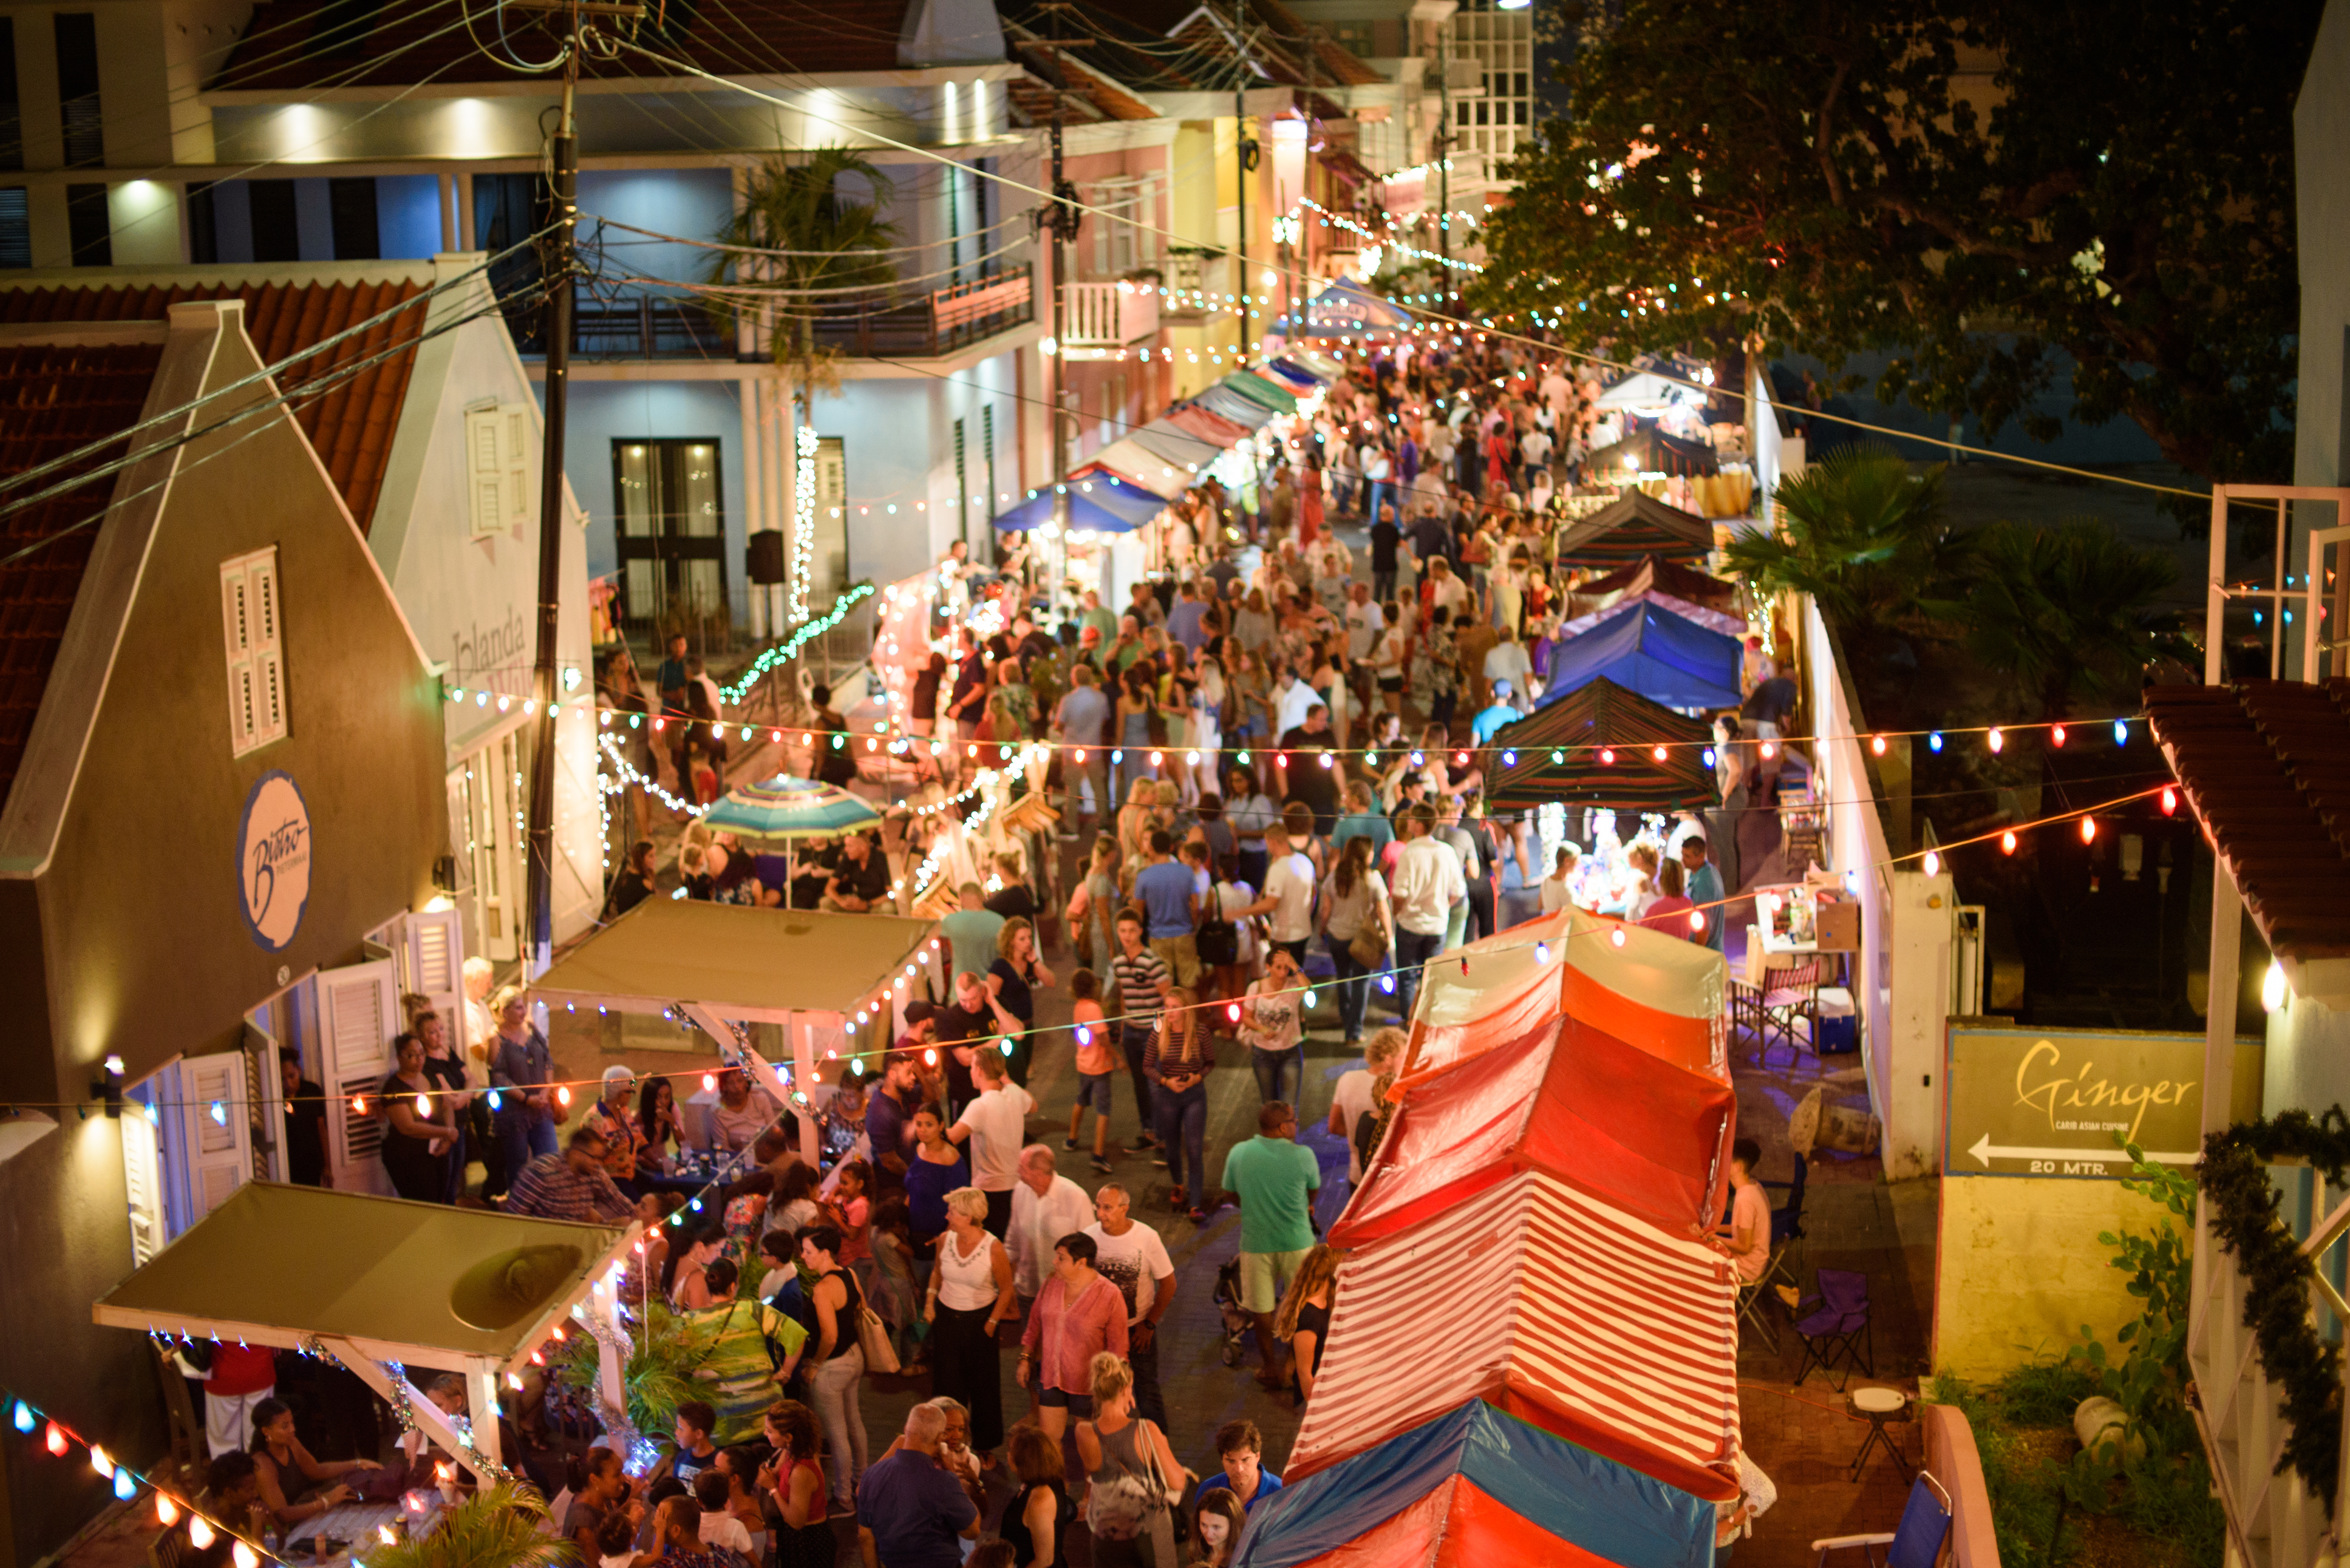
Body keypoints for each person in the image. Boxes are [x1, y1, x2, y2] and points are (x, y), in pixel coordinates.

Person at [1220, 1101, 1320, 1390]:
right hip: (1298, 1242)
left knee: (1261, 1311)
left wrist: (1252, 1206)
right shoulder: (1304, 1156)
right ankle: (1294, 1364)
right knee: (1301, 1305)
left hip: (1256, 1242)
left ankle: (1269, 1368)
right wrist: (1305, 1206)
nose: (1296, 1125)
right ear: (1282, 1127)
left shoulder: (1239, 1153)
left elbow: (1230, 1193)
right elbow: (1313, 1191)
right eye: (1294, 1121)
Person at [1074, 1353, 1188, 1568]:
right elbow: (1177, 1482)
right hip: (1142, 1536)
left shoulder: (1084, 1433)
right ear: (1125, 1389)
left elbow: (1092, 1470)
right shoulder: (1146, 1431)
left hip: (1104, 1536)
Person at [924, 1189, 1014, 1458]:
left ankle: (984, 1446)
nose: (947, 1215)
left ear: (969, 1216)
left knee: (983, 1387)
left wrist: (992, 1322)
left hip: (980, 1323)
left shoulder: (993, 1247)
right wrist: (930, 1302)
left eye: (952, 1212)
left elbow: (1007, 1289)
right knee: (947, 1385)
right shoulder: (944, 1239)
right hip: (947, 1321)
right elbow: (937, 1274)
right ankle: (948, 1444)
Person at [1020, 1234, 1128, 1444]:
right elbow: (1034, 1325)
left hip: (1087, 1384)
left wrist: (1118, 1390)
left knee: (1089, 1446)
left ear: (1081, 1263)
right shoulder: (1051, 1284)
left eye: (1061, 1258)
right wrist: (1025, 1358)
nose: (1054, 1262)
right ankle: (1056, 1479)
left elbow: (1119, 1348)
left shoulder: (1109, 1295)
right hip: (1052, 1378)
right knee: (1049, 1443)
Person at [1084, 1184, 1177, 1428]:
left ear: (1125, 1209)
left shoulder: (1146, 1237)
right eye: (1098, 1206)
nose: (1101, 1214)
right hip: (1101, 1332)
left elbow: (1168, 1284)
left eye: (1108, 1208)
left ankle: (1158, 1448)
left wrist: (1149, 1324)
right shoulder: (1089, 1237)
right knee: (1101, 1391)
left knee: (1147, 1390)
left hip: (1137, 1331)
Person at [797, 1224, 868, 1510]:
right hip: (855, 1357)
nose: (803, 1257)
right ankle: (861, 1482)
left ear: (825, 1253)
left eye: (808, 1251)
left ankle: (843, 1497)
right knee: (855, 1422)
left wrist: (814, 1364)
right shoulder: (849, 1274)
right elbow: (861, 1308)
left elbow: (829, 1336)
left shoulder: (822, 1288)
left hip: (832, 1368)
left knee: (837, 1434)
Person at [857, 1404, 979, 1568]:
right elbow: (972, 1531)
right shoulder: (943, 1482)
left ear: (906, 1429)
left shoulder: (871, 1475)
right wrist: (955, 1477)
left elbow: (865, 1537)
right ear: (939, 1438)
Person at [248, 1397, 378, 1529]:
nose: (293, 1429)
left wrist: (358, 1463)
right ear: (266, 1431)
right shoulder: (262, 1464)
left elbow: (317, 1470)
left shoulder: (292, 1444)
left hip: (302, 1508)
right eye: (285, 1426)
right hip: (280, 1530)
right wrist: (325, 1502)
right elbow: (282, 1514)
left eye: (292, 1423)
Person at [1143, 989, 1215, 1221]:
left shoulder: (1200, 1032)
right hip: (1169, 1096)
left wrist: (1198, 1077)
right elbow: (1147, 1067)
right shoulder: (1159, 1032)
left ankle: (1195, 1204)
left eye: (1174, 1007)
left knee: (1194, 1149)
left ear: (1185, 1010)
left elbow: (1210, 1062)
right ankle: (1178, 1184)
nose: (1169, 1012)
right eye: (1167, 1007)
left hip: (1194, 1095)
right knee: (1172, 1148)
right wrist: (1165, 1082)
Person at [1388, 804, 1465, 1018]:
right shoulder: (1446, 852)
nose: (1408, 821)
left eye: (1411, 818)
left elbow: (1399, 893)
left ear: (1419, 825)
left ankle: (1410, 1023)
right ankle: (1429, 1021)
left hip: (1410, 924)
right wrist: (1444, 906)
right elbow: (1459, 889)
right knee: (1432, 977)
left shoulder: (1409, 854)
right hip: (1437, 926)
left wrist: (1397, 914)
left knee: (1407, 978)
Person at [947, 1050, 1035, 1237]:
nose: (970, 1072)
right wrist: (1007, 1080)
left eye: (972, 1067)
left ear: (979, 1070)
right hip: (1016, 1186)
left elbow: (952, 1138)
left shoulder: (980, 1106)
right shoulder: (1014, 1092)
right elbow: (1033, 1106)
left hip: (990, 1191)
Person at [1318, 835, 1392, 1047]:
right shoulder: (1373, 878)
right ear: (1364, 855)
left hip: (1337, 936)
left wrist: (1323, 928)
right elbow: (1382, 910)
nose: (1373, 854)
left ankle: (1345, 1015)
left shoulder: (1334, 877)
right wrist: (1388, 936)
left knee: (1343, 976)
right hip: (1363, 937)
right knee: (1361, 982)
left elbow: (1326, 909)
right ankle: (1353, 1032)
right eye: (1371, 851)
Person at [486, 985, 557, 1196]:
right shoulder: (496, 1038)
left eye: (523, 1007)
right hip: (515, 1112)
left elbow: (547, 1060)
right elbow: (498, 1076)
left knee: (550, 1156)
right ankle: (520, 1201)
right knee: (517, 1163)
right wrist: (526, 1099)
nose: (523, 1012)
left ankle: (550, 1197)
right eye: (517, 1008)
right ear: (505, 1011)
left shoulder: (532, 1028)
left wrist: (545, 1091)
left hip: (541, 1107)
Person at [1007, 1145, 1095, 1300]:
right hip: (1028, 1291)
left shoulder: (1076, 1198)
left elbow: (1090, 1251)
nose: (1017, 1171)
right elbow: (1013, 1240)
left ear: (1038, 1173)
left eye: (1022, 1167)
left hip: (1065, 1294)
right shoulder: (1020, 1191)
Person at [155, 1451, 265, 1568]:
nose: (256, 1494)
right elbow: (258, 1565)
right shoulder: (212, 1534)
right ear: (229, 1493)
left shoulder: (234, 1509)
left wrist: (269, 1519)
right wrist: (257, 1524)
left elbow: (276, 1541)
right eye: (250, 1490)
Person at [508, 1124, 635, 1223]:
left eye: (600, 1158)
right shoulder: (541, 1172)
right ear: (576, 1153)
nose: (598, 1164)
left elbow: (617, 1199)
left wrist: (640, 1218)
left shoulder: (594, 1173)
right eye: (594, 1158)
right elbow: (515, 1218)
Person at [1327, 1027, 1405, 1189]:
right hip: (1390, 1180)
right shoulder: (1396, 1089)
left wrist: (1356, 1134)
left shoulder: (1347, 1079)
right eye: (1403, 1056)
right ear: (1388, 1059)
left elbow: (1333, 1126)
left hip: (1357, 1174)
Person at [763, 1400, 833, 1568]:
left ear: (788, 1437)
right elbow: (777, 1473)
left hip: (808, 1541)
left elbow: (796, 1522)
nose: (765, 1434)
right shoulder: (792, 1451)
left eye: (770, 1431)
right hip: (795, 1537)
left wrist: (772, 1488)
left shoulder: (801, 1472)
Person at [987, 917, 1055, 1087]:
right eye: (1022, 939)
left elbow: (1051, 982)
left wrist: (1035, 961)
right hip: (1009, 1029)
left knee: (1023, 1071)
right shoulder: (1000, 966)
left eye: (1030, 938)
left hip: (1028, 1026)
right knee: (1013, 1073)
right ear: (1011, 941)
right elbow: (992, 998)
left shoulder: (1028, 962)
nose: (1028, 942)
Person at [1236, 824, 1314, 966]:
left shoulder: (1278, 868)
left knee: (1283, 979)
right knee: (1297, 973)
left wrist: (1239, 912)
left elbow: (1270, 904)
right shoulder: (1305, 861)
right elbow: (1313, 894)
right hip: (1304, 930)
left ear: (1271, 841)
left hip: (1285, 935)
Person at [1236, 946, 1306, 1108]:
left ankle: (1288, 1133)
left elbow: (1308, 990)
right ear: (1268, 967)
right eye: (1278, 967)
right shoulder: (1256, 988)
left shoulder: (1293, 986)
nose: (1283, 973)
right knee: (1270, 1106)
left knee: (1290, 1108)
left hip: (1291, 1053)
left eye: (1286, 967)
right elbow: (1246, 1018)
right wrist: (1262, 1029)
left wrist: (1296, 967)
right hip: (1263, 1055)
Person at [1132, 830, 1202, 988]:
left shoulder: (1144, 876)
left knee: (1164, 987)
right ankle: (1191, 1014)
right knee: (1190, 985)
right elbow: (1195, 905)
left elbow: (1139, 913)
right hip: (1184, 933)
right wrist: (1192, 925)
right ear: (1171, 847)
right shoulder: (1186, 871)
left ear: (1151, 848)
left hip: (1158, 936)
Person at [1274, 1244, 1342, 1402]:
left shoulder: (1325, 1303)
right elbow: (1304, 1372)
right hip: (1317, 1396)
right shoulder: (1309, 1318)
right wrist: (1315, 1409)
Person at [1064, 969, 1117, 1174]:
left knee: (1081, 1100)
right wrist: (1118, 1057)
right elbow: (1103, 1038)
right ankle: (1098, 1154)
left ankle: (1072, 1139)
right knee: (1103, 1109)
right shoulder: (1095, 1009)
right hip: (1099, 1066)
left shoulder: (1079, 1007)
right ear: (1093, 987)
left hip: (1083, 1064)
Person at [1001, 1424, 1073, 1568]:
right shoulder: (1046, 1480)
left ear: (1025, 1461)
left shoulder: (1039, 1501)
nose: (1008, 1455)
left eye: (1011, 1451)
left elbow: (1044, 1560)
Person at [903, 1102, 969, 1250]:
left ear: (941, 1126)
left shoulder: (951, 1159)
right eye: (919, 1124)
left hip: (938, 1236)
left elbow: (962, 1204)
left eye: (929, 1125)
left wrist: (944, 1239)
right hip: (914, 1231)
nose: (923, 1130)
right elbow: (912, 1189)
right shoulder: (920, 1149)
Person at [200, 1340, 279, 1459]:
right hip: (259, 1367)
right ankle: (259, 1475)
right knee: (258, 1440)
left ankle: (229, 1477)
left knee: (223, 1445)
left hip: (222, 1370)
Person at [1193, 1420, 1283, 1512]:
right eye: (1231, 1461)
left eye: (1245, 1460)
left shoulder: (1281, 1493)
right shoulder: (1208, 1490)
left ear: (1258, 1456)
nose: (1239, 1469)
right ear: (1222, 1460)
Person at [1717, 1136, 1771, 1285]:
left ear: (1738, 1167)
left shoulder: (1745, 1200)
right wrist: (1715, 1229)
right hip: (1756, 1263)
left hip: (1746, 1269)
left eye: (1727, 1160)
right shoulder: (1754, 1186)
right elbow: (1741, 1230)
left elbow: (1744, 1247)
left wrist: (1714, 1238)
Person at [279, 1053, 328, 1188]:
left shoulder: (312, 1091)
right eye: (282, 1079)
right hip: (289, 1164)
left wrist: (327, 1166)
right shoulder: (276, 1098)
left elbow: (321, 1128)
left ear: (299, 1070)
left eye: (291, 1076)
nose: (287, 1083)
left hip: (312, 1160)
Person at [648, 1497, 731, 1568]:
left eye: (660, 1517)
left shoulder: (670, 1565)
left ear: (676, 1530)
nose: (654, 1523)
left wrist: (659, 1532)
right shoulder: (723, 1554)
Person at [1681, 832, 1726, 951]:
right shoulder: (1707, 870)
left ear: (1700, 857)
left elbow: (1704, 928)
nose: (1683, 860)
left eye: (1687, 856)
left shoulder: (1704, 884)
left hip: (1708, 952)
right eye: (1683, 855)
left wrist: (1697, 955)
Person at [1187, 1489, 1247, 1568]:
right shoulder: (1199, 1549)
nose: (1208, 1534)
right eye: (1204, 1525)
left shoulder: (1247, 1558)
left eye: (1216, 1527)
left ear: (1233, 1526)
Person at [1539, 843, 1579, 913]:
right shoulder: (1567, 890)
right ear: (1567, 861)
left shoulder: (1546, 881)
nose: (1579, 862)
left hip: (1550, 922)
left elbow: (1540, 906)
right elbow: (1574, 915)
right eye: (1576, 859)